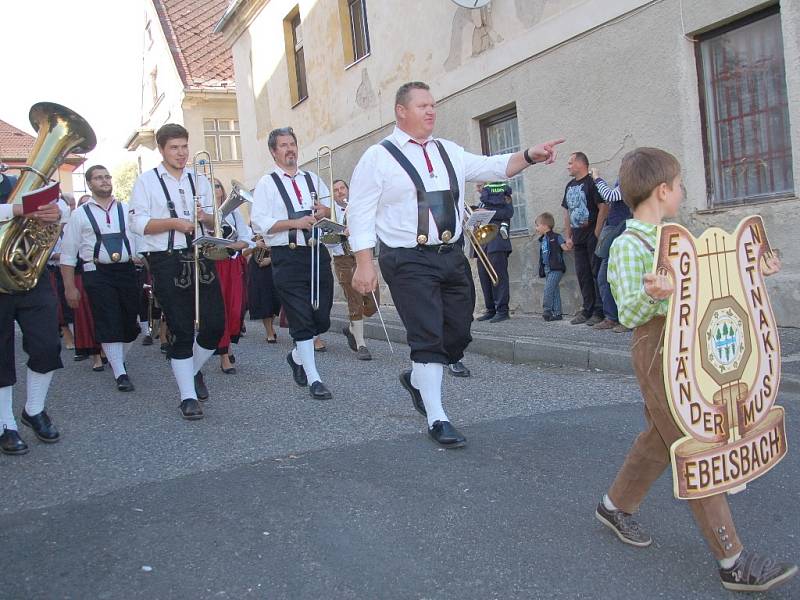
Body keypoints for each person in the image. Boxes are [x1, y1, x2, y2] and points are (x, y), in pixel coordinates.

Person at [596, 147, 796, 592]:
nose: (682, 191)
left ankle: (614, 505)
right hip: (656, 350)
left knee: (661, 438)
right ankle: (733, 559)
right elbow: (628, 312)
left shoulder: (677, 235)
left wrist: (755, 271)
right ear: (663, 190)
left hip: (689, 349)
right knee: (695, 443)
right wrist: (656, 293)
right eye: (680, 184)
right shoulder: (629, 245)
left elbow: (713, 288)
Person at [348, 81, 564, 447]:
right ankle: (437, 417)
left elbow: (493, 166)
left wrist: (530, 154)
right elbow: (360, 213)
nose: (431, 111)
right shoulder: (377, 157)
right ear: (401, 111)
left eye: (433, 105)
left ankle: (418, 379)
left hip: (450, 254)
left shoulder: (448, 151)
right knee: (428, 334)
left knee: (459, 332)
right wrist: (363, 264)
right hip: (406, 258)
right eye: (422, 106)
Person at [129, 123, 225, 420]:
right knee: (182, 328)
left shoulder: (199, 179)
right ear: (161, 150)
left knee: (215, 325)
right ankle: (187, 396)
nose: (182, 153)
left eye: (184, 146)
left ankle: (191, 370)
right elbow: (137, 223)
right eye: (174, 148)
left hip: (201, 255)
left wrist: (205, 217)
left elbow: (214, 220)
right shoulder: (146, 181)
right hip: (166, 257)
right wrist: (174, 223)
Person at [250, 127, 334, 400]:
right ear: (274, 152)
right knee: (301, 317)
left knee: (321, 317)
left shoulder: (311, 177)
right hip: (288, 254)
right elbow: (260, 222)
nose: (290, 149)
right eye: (283, 145)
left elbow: (328, 207)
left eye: (292, 144)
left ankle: (297, 356)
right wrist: (294, 222)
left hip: (316, 251)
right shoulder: (267, 183)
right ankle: (314, 378)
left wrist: (324, 210)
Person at [0, 171, 67, 455]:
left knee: (47, 346)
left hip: (28, 275)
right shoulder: (19, 198)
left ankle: (34, 409)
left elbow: (62, 212)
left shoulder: (18, 183)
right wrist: (17, 209)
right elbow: (20, 210)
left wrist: (57, 213)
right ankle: (6, 425)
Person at [60, 165, 140, 392]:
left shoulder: (126, 210)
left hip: (126, 270)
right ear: (89, 184)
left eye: (107, 176)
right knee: (108, 320)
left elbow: (139, 239)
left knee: (129, 322)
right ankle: (120, 372)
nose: (104, 181)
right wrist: (69, 288)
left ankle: (117, 359)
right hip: (97, 273)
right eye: (98, 178)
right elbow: (67, 255)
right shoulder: (79, 214)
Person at [328, 179, 378, 361]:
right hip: (343, 260)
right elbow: (326, 242)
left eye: (342, 188)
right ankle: (361, 344)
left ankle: (352, 328)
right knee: (354, 300)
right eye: (336, 190)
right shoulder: (329, 214)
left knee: (373, 303)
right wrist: (341, 234)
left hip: (362, 257)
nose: (340, 192)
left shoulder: (359, 206)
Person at [561, 152, 607, 326]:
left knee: (596, 273)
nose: (568, 166)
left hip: (592, 236)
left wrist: (596, 232)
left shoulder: (592, 183)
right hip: (577, 237)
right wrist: (568, 236)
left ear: (581, 164)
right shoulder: (569, 185)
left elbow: (603, 207)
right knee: (582, 274)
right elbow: (567, 212)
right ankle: (587, 309)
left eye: (570, 162)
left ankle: (599, 310)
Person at [212, 178, 252, 374]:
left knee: (235, 308)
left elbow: (246, 240)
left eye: (218, 185)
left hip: (232, 263)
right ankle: (224, 356)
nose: (215, 189)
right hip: (212, 265)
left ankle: (227, 345)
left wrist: (229, 246)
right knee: (219, 309)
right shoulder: (202, 214)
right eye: (211, 186)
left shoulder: (233, 213)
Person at [590, 168, 631, 333]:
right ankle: (611, 317)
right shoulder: (623, 181)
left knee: (622, 279)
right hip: (615, 231)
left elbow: (611, 196)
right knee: (604, 277)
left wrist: (597, 178)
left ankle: (624, 319)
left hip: (622, 232)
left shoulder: (630, 182)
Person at [473, 180, 514, 323]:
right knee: (484, 277)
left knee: (498, 277)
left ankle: (502, 310)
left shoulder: (502, 195)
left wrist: (488, 213)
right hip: (482, 243)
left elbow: (508, 213)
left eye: (480, 186)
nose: (478, 189)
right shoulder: (483, 202)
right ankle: (490, 309)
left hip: (496, 242)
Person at [245, 236, 281, 343]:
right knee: (264, 299)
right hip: (258, 269)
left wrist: (271, 258)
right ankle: (269, 332)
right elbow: (243, 253)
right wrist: (255, 245)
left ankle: (270, 326)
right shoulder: (250, 233)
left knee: (277, 300)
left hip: (276, 265)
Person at [534, 212, 569, 321]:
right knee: (554, 290)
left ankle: (547, 309)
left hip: (556, 269)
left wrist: (569, 242)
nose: (536, 228)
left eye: (537, 225)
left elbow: (565, 248)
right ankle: (558, 314)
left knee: (548, 289)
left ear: (545, 225)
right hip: (547, 269)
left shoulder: (556, 237)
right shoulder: (543, 240)